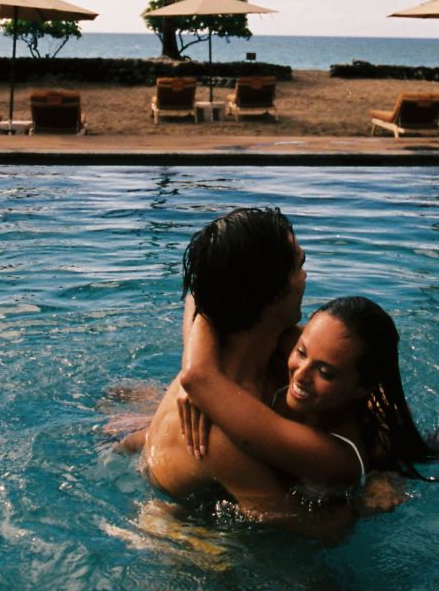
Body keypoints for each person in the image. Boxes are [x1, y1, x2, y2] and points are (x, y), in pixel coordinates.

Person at [140, 207, 337, 534]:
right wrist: (358, 505)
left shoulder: (273, 345)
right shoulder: (217, 436)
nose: (305, 277)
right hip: (186, 515)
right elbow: (289, 521)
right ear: (272, 294)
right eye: (299, 266)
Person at [178, 296, 439, 498]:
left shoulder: (337, 455)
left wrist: (199, 389)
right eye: (301, 352)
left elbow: (198, 379)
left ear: (362, 388)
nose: (301, 374)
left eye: (326, 372)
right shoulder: (318, 350)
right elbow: (201, 294)